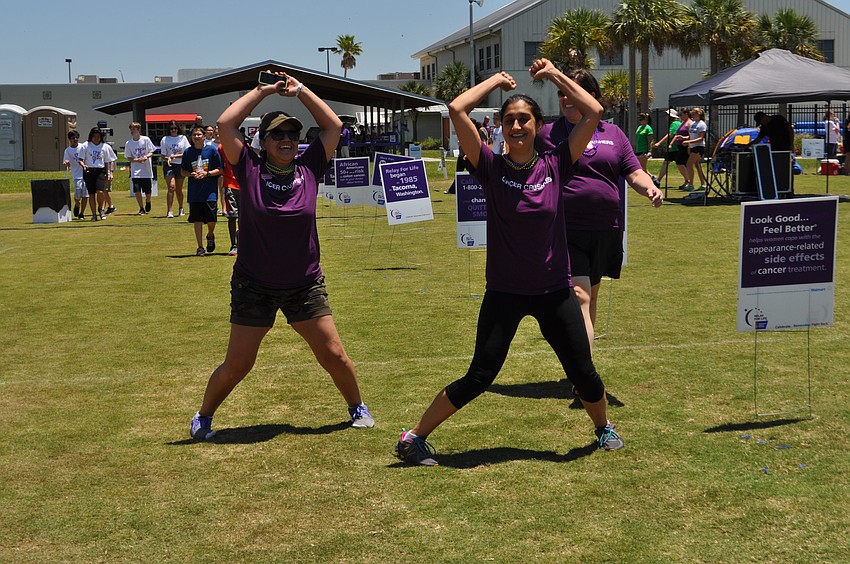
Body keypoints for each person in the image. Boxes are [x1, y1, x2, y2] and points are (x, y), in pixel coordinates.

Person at [394, 59, 623, 467]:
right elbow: (456, 109)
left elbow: (594, 112)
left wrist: (554, 75)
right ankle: (414, 437)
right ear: (500, 126)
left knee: (583, 372)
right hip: (505, 292)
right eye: (509, 120)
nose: (517, 127)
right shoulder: (490, 167)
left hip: (554, 291)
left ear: (538, 125)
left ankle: (603, 428)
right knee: (481, 376)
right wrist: (497, 80)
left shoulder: (556, 163)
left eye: (525, 120)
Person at [189, 70, 375, 440]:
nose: (287, 140)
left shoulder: (310, 167)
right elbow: (226, 123)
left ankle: (357, 407)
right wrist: (263, 91)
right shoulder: (249, 167)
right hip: (253, 283)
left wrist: (301, 91)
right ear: (264, 140)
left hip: (304, 284)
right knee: (239, 364)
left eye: (293, 134)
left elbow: (333, 125)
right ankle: (204, 416)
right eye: (278, 134)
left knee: (334, 354)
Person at [537, 68, 663, 351]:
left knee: (591, 297)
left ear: (592, 97)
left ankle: (584, 367)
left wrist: (650, 187)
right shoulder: (546, 134)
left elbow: (633, 171)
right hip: (565, 229)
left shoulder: (614, 133)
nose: (567, 98)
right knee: (580, 296)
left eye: (574, 92)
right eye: (562, 93)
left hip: (606, 229)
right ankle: (586, 378)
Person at [181, 126, 222, 256]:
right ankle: (200, 247)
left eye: (199, 134)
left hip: (209, 191)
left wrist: (207, 174)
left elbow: (220, 169)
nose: (196, 137)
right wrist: (191, 174)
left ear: (204, 136)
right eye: (194, 135)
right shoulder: (188, 152)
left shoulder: (212, 150)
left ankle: (210, 235)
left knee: (211, 219)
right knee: (197, 219)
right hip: (194, 192)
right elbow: (182, 171)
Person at [78, 127, 116, 221]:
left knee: (100, 191)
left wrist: (109, 173)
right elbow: (80, 159)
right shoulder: (85, 145)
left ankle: (101, 209)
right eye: (94, 137)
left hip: (100, 170)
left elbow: (108, 161)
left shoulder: (105, 146)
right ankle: (94, 214)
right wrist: (84, 165)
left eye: (98, 137)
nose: (96, 139)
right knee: (91, 194)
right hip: (89, 171)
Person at [124, 122, 157, 215]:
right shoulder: (129, 143)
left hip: (146, 170)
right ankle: (141, 208)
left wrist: (146, 157)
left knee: (148, 190)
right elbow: (128, 157)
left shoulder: (146, 140)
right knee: (137, 190)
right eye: (131, 129)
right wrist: (136, 160)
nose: (132, 131)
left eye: (134, 129)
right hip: (135, 170)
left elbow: (152, 151)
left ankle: (148, 201)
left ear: (138, 130)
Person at [160, 120, 190, 218]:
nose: (174, 130)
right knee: (171, 187)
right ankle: (169, 211)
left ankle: (181, 207)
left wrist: (175, 156)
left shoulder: (183, 138)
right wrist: (168, 158)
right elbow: (163, 155)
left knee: (179, 190)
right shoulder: (165, 139)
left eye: (175, 128)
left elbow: (186, 152)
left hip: (180, 165)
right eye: (172, 128)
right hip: (169, 165)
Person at [218, 132, 241, 256]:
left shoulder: (244, 147)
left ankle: (243, 243)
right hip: (229, 184)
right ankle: (234, 245)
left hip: (243, 185)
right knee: (232, 216)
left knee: (244, 217)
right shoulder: (221, 148)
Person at [653, 108, 685, 187]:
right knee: (666, 163)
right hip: (673, 148)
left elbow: (670, 134)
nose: (666, 117)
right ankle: (658, 180)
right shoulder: (677, 123)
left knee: (680, 164)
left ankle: (688, 181)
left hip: (675, 148)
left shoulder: (674, 123)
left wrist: (659, 143)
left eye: (667, 115)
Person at [680, 107, 708, 191]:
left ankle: (691, 184)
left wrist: (689, 141)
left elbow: (701, 138)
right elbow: (691, 135)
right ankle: (703, 184)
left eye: (693, 114)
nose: (692, 115)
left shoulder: (702, 124)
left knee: (689, 164)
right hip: (693, 147)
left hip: (699, 147)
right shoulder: (693, 123)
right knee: (697, 166)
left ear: (698, 114)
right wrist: (684, 138)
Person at [63, 130, 88, 220]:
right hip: (77, 175)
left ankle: (82, 213)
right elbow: (65, 161)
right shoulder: (68, 150)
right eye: (73, 138)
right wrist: (66, 163)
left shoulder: (83, 147)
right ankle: (77, 204)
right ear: (70, 139)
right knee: (77, 194)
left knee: (85, 195)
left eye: (77, 138)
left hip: (86, 174)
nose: (75, 139)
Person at [671, 108, 693, 189]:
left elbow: (691, 136)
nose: (680, 116)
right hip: (680, 146)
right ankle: (686, 181)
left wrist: (684, 138)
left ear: (686, 114)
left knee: (681, 163)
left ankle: (689, 180)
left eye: (682, 115)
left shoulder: (689, 123)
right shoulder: (683, 123)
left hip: (686, 146)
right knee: (681, 163)